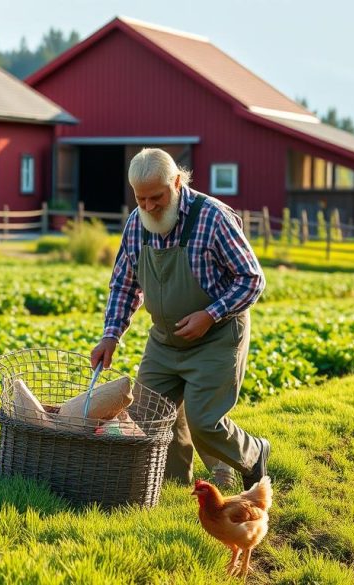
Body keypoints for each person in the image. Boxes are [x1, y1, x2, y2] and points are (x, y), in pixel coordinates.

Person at [89, 148, 270, 490]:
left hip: (217, 336)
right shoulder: (136, 225)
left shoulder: (212, 218)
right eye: (140, 199)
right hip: (165, 340)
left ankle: (254, 453)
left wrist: (209, 314)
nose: (148, 207)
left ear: (176, 182)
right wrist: (110, 336)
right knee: (151, 417)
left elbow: (251, 278)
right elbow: (124, 285)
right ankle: (172, 486)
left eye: (156, 197)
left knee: (205, 422)